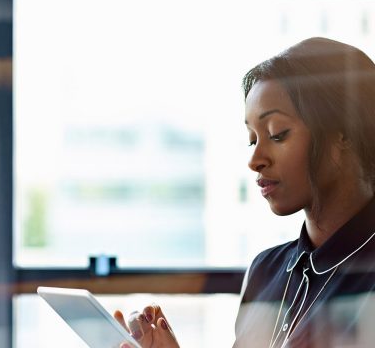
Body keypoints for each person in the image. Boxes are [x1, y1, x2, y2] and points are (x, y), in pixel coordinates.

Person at [114, 37, 375, 348]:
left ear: (343, 132)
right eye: (253, 139)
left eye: (278, 133)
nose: (254, 160)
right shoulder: (265, 270)